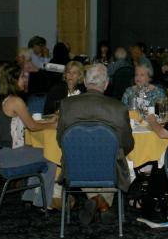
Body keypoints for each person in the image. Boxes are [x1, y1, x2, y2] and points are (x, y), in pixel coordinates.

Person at [56, 64, 135, 213]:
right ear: (106, 84)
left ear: (85, 82)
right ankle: (102, 204)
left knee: (85, 157)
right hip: (109, 166)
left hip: (76, 164)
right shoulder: (119, 108)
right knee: (113, 157)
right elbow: (127, 144)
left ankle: (96, 201)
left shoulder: (66, 105)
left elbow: (60, 140)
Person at [0, 63, 58, 211]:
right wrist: (52, 126)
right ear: (13, 81)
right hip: (8, 156)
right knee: (50, 158)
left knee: (38, 151)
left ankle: (29, 198)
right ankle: (43, 203)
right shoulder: (16, 101)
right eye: (22, 77)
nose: (25, 80)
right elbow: (32, 126)